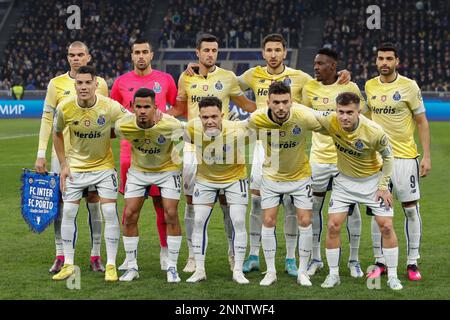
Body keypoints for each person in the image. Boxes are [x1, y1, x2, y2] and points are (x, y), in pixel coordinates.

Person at [237, 34, 351, 277]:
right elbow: (227, 85)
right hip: (263, 146)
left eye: (278, 49)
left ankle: (290, 258)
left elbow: (324, 83)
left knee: (291, 202)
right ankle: (254, 254)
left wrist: (343, 76)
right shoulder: (253, 74)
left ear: (284, 52)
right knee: (257, 202)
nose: (273, 54)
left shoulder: (301, 77)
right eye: (269, 50)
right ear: (263, 52)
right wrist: (250, 108)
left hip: (290, 145)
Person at [168, 33, 256, 273]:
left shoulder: (227, 78)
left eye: (214, 50)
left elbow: (247, 105)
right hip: (191, 145)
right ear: (197, 53)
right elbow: (178, 108)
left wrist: (275, 111)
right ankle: (193, 256)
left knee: (229, 203)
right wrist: (161, 115)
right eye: (206, 50)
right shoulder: (185, 78)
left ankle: (232, 252)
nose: (210, 54)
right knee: (191, 203)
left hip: (224, 146)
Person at [315, 92, 403, 291]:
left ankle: (393, 277)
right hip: (344, 182)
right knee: (333, 226)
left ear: (359, 111)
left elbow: (388, 158)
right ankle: (333, 274)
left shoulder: (374, 131)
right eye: (340, 112)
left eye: (349, 112)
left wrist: (383, 185)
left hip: (372, 182)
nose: (344, 117)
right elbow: (307, 114)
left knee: (386, 226)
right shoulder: (331, 121)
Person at [35, 41, 108, 274]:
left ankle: (96, 255)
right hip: (63, 157)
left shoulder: (101, 84)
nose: (76, 59)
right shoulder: (56, 84)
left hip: (94, 156)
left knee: (94, 205)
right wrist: (40, 154)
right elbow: (48, 120)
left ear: (88, 57)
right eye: (72, 55)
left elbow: (106, 117)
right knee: (62, 206)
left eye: (80, 55)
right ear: (67, 58)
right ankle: (61, 255)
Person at [51, 66, 128, 282]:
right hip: (75, 168)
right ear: (74, 85)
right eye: (79, 83)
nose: (83, 87)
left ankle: (111, 264)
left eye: (87, 83)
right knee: (67, 213)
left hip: (104, 168)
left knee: (110, 212)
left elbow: (130, 121)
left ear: (96, 84)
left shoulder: (109, 105)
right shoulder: (65, 107)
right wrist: (64, 165)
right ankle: (68, 264)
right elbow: (56, 134)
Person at [365, 43, 431, 281]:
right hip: (378, 160)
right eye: (380, 58)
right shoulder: (370, 85)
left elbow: (422, 121)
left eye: (389, 58)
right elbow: (368, 116)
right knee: (377, 211)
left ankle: (412, 262)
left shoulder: (409, 86)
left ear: (397, 62)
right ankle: (380, 261)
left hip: (404, 158)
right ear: (376, 61)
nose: (384, 62)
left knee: (411, 210)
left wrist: (427, 156)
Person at [110, 39, 178, 272]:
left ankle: (165, 252)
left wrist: (164, 115)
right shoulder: (121, 82)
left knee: (163, 206)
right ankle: (130, 259)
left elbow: (178, 108)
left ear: (151, 55)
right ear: (131, 56)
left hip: (161, 153)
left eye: (145, 52)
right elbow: (113, 113)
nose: (141, 56)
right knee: (130, 209)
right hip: (130, 154)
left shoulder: (165, 80)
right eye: (137, 52)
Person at [248, 81, 324, 287]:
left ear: (292, 101)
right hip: (272, 177)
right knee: (269, 220)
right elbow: (241, 135)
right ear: (268, 102)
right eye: (276, 102)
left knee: (305, 221)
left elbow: (331, 126)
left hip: (300, 177)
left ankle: (302, 271)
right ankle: (270, 271)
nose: (281, 107)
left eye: (285, 102)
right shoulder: (258, 118)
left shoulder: (304, 116)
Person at [301, 48, 365, 278]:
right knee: (315, 208)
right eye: (315, 63)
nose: (316, 67)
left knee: (352, 209)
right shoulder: (309, 88)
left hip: (345, 160)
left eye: (321, 64)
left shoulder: (350, 87)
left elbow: (362, 119)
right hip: (318, 159)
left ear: (333, 66)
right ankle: (316, 258)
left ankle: (354, 260)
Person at [115, 88, 184, 283]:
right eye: (139, 106)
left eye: (147, 106)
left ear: (156, 107)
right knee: (129, 214)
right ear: (132, 108)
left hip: (167, 170)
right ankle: (132, 266)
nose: (143, 110)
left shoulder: (171, 124)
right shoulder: (123, 126)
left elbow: (187, 140)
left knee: (170, 213)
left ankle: (172, 267)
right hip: (139, 171)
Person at [184, 97, 251, 284]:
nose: (209, 121)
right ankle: (200, 270)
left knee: (237, 220)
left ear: (222, 115)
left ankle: (238, 270)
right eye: (205, 117)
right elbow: (169, 127)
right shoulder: (191, 128)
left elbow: (258, 122)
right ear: (199, 117)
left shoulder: (237, 129)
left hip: (235, 178)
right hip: (205, 179)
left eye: (214, 116)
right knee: (198, 221)